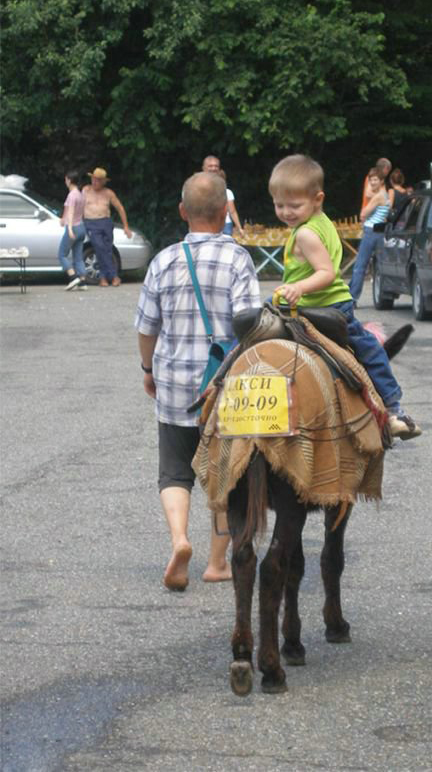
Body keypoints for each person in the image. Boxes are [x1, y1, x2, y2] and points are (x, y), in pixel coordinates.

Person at [134, 171, 261, 591]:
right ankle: (217, 563)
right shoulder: (238, 259)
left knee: (174, 472)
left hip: (172, 380)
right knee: (226, 473)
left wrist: (148, 370)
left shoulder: (164, 260)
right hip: (224, 385)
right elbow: (250, 324)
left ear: (182, 212)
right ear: (226, 212)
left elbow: (147, 326)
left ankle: (179, 540)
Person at [269, 154, 421, 441]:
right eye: (279, 205)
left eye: (294, 205)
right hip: (307, 303)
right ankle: (392, 409)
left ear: (318, 199)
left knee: (368, 350)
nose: (286, 212)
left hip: (323, 306)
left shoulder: (305, 235)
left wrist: (298, 288)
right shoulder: (320, 220)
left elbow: (327, 272)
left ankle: (392, 409)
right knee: (370, 352)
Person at [82, 167, 132, 287]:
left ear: (103, 181)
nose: (95, 182)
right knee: (99, 247)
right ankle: (114, 276)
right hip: (91, 223)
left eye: (98, 180)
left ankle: (104, 278)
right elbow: (78, 206)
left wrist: (126, 226)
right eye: (94, 179)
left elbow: (120, 208)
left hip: (105, 223)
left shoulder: (108, 193)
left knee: (107, 250)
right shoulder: (86, 190)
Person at [349, 167, 391, 303]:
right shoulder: (385, 194)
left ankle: (352, 297)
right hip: (380, 232)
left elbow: (363, 213)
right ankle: (383, 295)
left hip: (370, 231)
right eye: (371, 180)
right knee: (380, 266)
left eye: (375, 180)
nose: (372, 183)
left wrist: (364, 215)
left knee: (359, 267)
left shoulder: (378, 197)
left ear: (381, 181)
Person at [201, 155, 245, 238]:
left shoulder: (227, 192)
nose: (213, 168)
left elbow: (232, 211)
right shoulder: (197, 189)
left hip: (225, 226)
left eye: (216, 166)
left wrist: (239, 228)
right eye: (210, 166)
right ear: (203, 168)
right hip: (203, 225)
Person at [58, 170, 88, 291]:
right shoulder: (80, 194)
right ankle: (83, 281)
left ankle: (73, 276)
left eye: (66, 180)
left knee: (62, 254)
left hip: (74, 227)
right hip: (81, 226)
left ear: (69, 180)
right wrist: (63, 218)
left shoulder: (71, 195)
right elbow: (79, 212)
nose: (65, 182)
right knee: (78, 256)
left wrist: (69, 228)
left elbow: (70, 213)